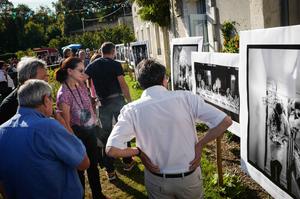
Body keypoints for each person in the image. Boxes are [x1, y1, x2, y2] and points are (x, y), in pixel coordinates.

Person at [106, 59, 232, 199]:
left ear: (140, 82)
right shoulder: (186, 98)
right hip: (188, 177)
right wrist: (200, 144)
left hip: (157, 180)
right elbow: (225, 121)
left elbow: (111, 150)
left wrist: (139, 152)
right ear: (164, 80)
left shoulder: (132, 110)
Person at [0, 79, 90, 199]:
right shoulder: (48, 127)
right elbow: (83, 163)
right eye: (51, 99)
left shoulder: (2, 130)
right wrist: (65, 126)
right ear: (46, 100)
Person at [55, 57, 108, 199]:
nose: (84, 73)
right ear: (69, 71)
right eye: (81, 70)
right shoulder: (63, 94)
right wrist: (75, 143)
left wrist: (94, 120)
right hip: (76, 133)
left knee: (93, 164)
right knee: (79, 170)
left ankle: (98, 194)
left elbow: (88, 105)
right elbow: (66, 124)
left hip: (89, 129)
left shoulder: (81, 84)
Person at [85, 42, 135, 181]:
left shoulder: (92, 65)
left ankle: (110, 170)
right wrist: (129, 102)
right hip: (117, 102)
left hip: (103, 103)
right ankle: (127, 161)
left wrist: (90, 96)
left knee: (106, 135)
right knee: (124, 130)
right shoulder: (115, 64)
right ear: (113, 51)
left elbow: (82, 79)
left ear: (101, 51)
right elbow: (123, 85)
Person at [0, 57, 49, 125]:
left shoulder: (41, 95)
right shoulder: (9, 106)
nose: (47, 81)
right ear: (29, 79)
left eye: (47, 76)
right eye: (43, 78)